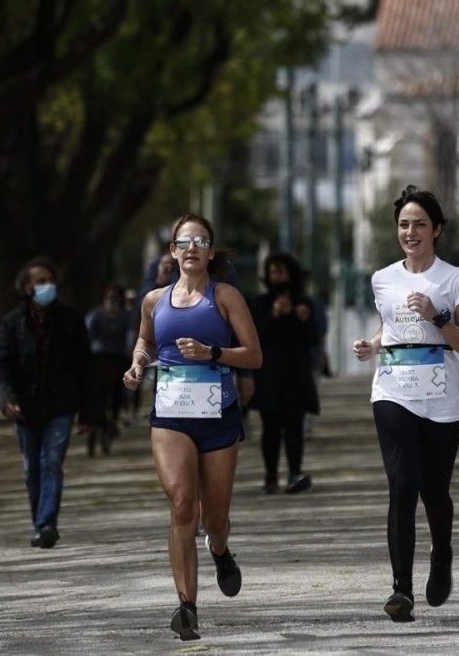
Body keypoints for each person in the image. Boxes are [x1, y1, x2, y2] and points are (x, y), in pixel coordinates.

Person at [123, 214, 262, 641]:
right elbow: (146, 340)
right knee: (183, 505)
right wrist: (137, 363)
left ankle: (219, 549)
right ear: (173, 250)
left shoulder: (226, 298)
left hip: (218, 415)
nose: (192, 249)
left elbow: (254, 356)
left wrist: (212, 352)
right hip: (170, 415)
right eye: (184, 242)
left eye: (201, 241)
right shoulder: (153, 300)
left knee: (214, 517)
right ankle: (187, 606)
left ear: (210, 251)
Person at [352, 186, 459, 623]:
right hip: (393, 391)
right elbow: (389, 328)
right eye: (404, 224)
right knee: (402, 485)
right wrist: (371, 345)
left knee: (434, 492)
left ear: (437, 229)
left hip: (442, 398)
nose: (411, 231)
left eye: (420, 224)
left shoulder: (456, 278)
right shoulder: (383, 278)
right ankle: (401, 589)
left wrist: (437, 316)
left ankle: (441, 556)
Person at [0, 256, 94, 549]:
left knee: (51, 462)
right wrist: (6, 399)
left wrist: (88, 413)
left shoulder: (71, 321)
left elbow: (85, 368)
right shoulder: (12, 324)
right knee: (31, 468)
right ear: (26, 288)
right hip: (25, 409)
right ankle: (40, 519)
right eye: (40, 282)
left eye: (50, 281)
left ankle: (46, 523)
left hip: (60, 407)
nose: (46, 287)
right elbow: (2, 367)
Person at [249, 253, 319, 494]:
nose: (277, 277)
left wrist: (301, 318)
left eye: (281, 271)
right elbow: (255, 337)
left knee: (294, 427)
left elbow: (311, 338)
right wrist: (274, 315)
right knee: (270, 428)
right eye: (273, 272)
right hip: (269, 377)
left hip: (296, 376)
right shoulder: (260, 303)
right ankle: (270, 476)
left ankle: (294, 472)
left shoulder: (303, 303)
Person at [84, 283, 133, 456]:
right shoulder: (96, 315)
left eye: (114, 296)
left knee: (119, 392)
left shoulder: (125, 316)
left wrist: (129, 348)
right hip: (98, 360)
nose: (111, 300)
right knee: (95, 393)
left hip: (119, 359)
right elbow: (87, 334)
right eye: (108, 296)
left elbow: (130, 334)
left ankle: (116, 416)